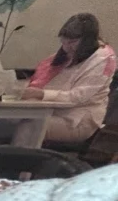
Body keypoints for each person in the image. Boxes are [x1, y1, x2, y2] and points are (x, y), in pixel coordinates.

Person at [15, 13, 116, 146]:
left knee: (31, 126)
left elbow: (78, 97)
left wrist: (41, 94)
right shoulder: (68, 55)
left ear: (87, 40)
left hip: (78, 121)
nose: (66, 47)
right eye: (63, 42)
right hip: (52, 112)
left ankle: (19, 166)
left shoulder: (104, 59)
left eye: (72, 42)